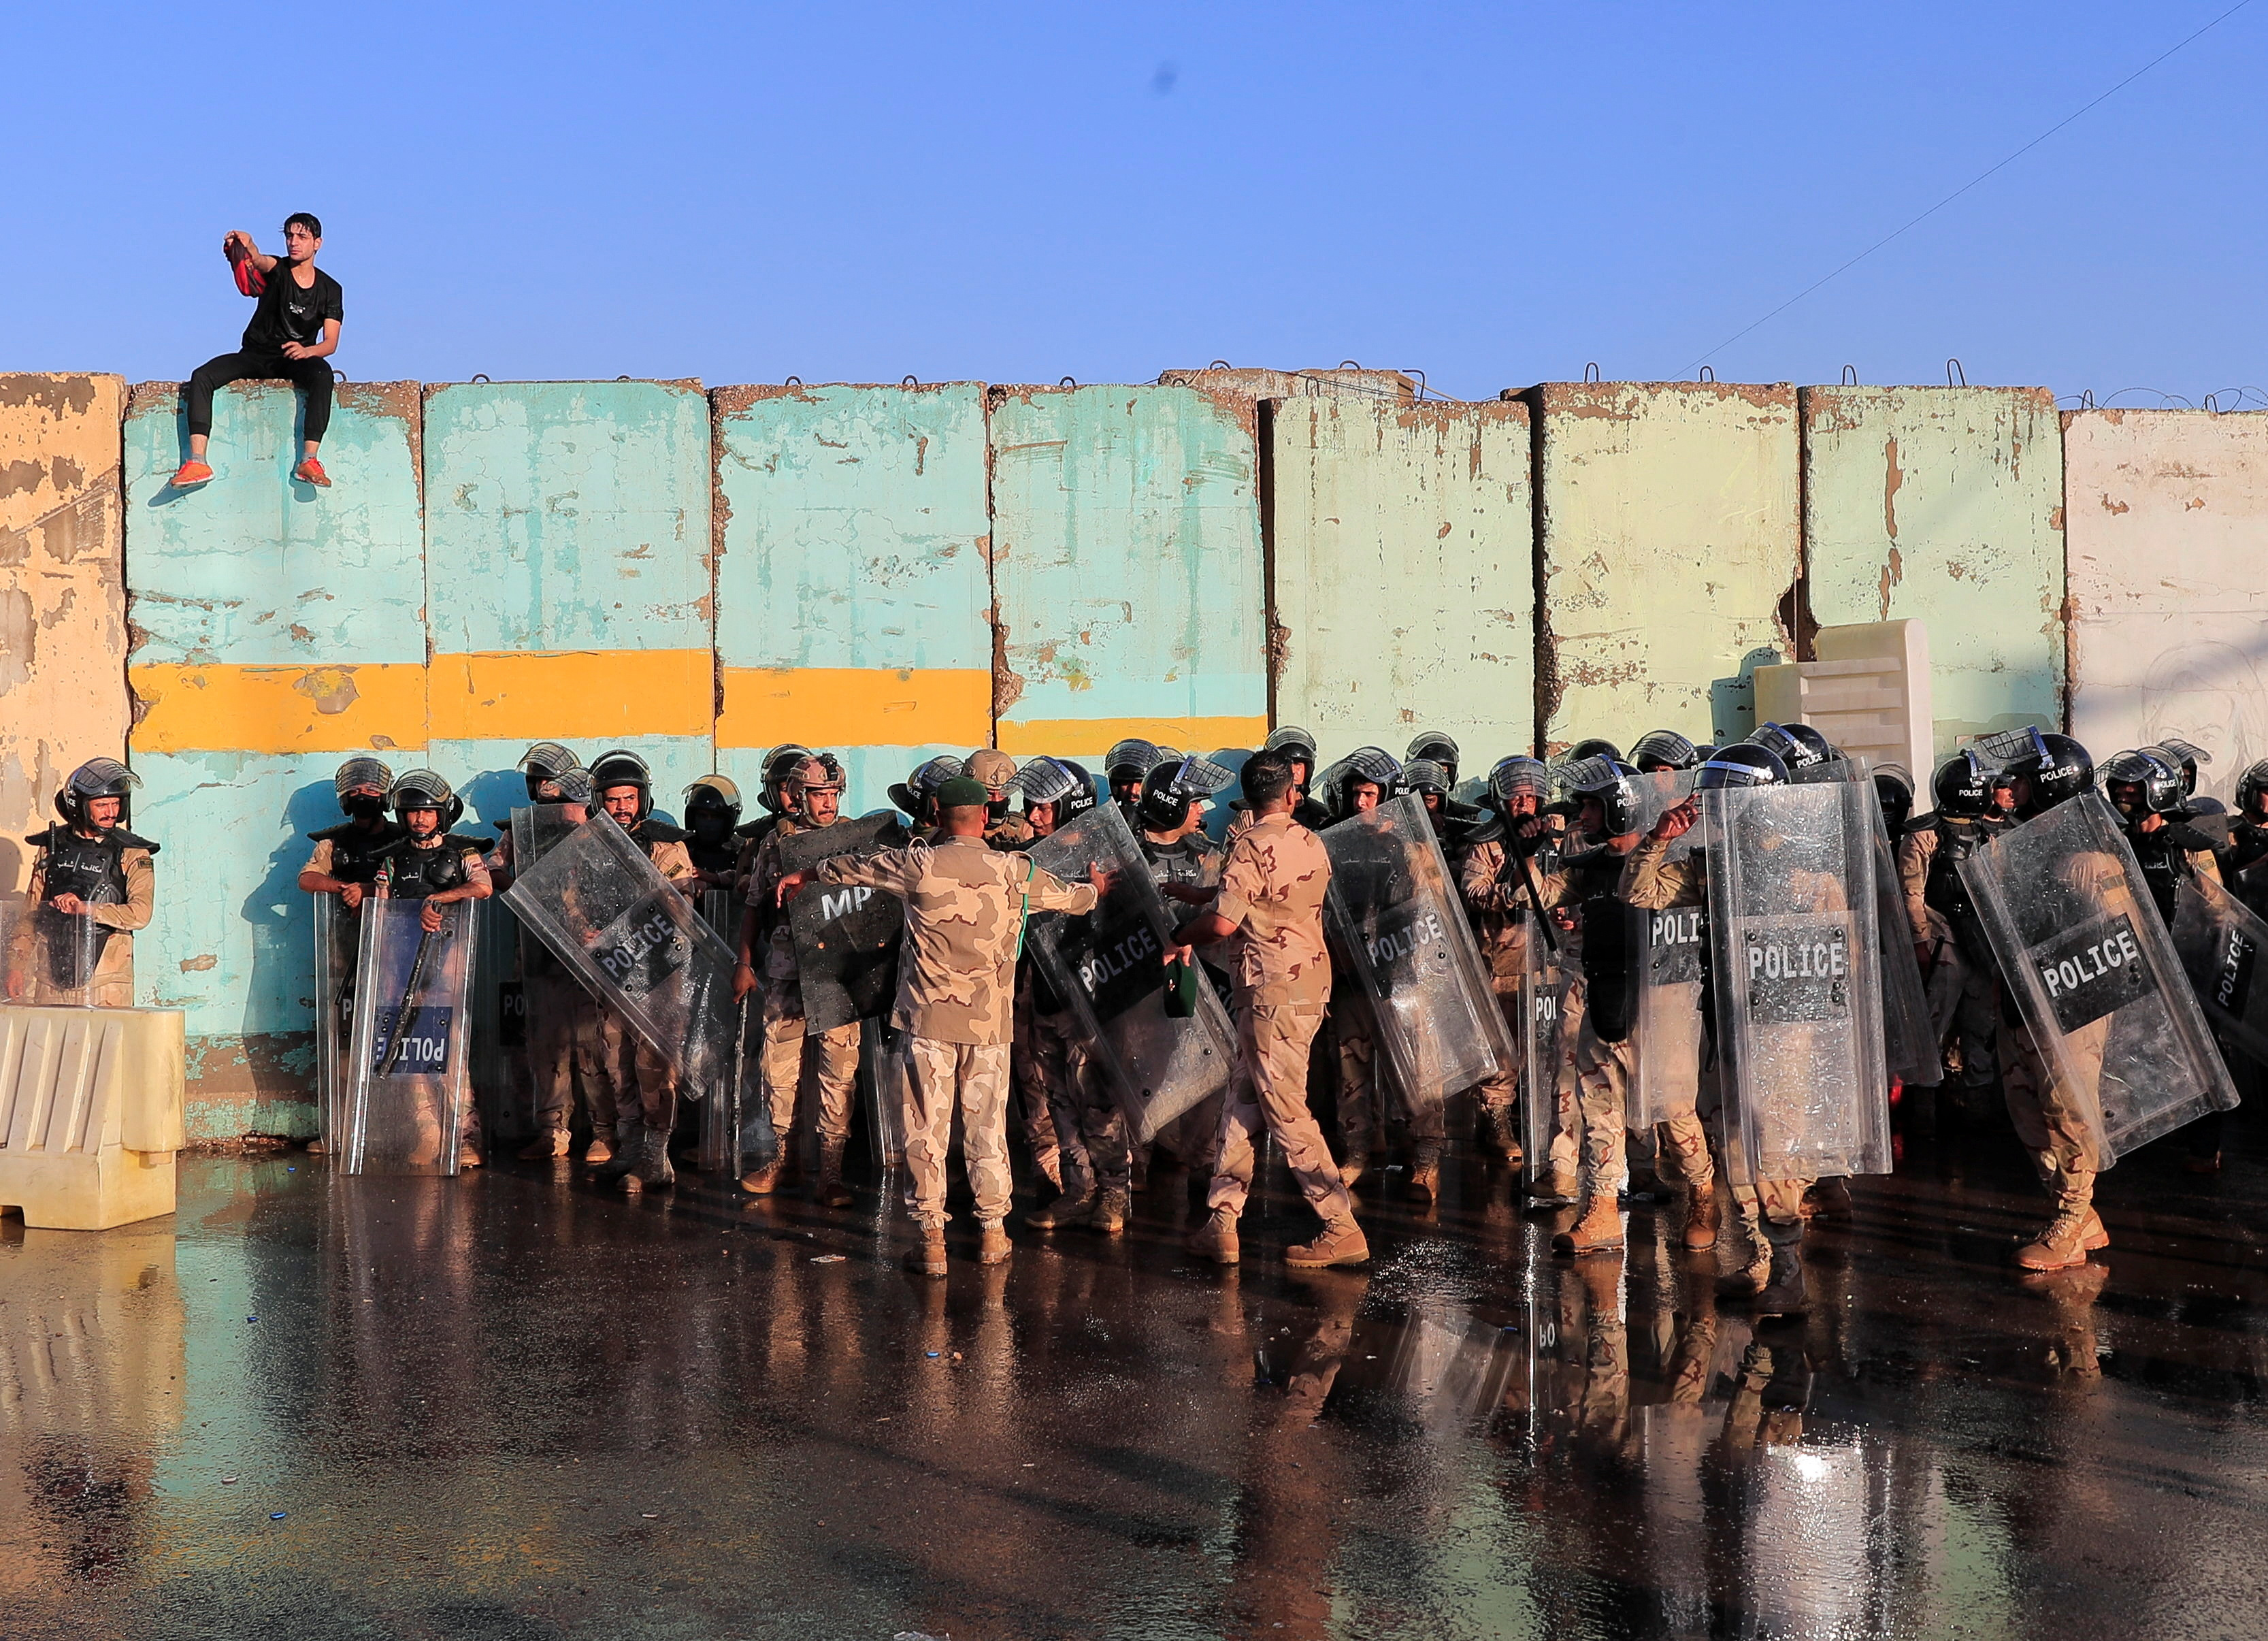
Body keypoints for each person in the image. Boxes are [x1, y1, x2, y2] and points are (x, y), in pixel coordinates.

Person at [776, 775, 1106, 1274]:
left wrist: (807, 875)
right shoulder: (1014, 870)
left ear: (936, 811)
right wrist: (1094, 889)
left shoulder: (918, 863)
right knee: (987, 1129)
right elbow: (1077, 899)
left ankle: (932, 1240)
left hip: (926, 1020)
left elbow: (855, 869)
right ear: (983, 818)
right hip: (989, 1027)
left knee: (926, 1130)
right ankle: (993, 1232)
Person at [1624, 744, 1822, 1312]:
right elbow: (1639, 891)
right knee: (1733, 1148)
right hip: (1724, 1022)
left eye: (1722, 798)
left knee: (1774, 1151)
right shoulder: (1712, 865)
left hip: (1780, 1031)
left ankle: (1789, 1271)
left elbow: (1836, 960)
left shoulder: (1805, 868)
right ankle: (1763, 1258)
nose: (1712, 810)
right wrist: (1660, 835)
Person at [1166, 750, 1368, 1269]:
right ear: (1290, 794)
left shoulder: (1248, 844)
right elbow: (1263, 895)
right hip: (1304, 987)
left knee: (1285, 1110)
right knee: (1243, 1100)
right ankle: (1222, 1221)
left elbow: (1224, 924)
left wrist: (1178, 936)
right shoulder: (1309, 840)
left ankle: (1340, 1225)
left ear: (1247, 798)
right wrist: (1196, 893)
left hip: (1270, 993)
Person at [734, 756, 866, 1207]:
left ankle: (830, 1171)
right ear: (799, 796)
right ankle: (781, 1159)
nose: (826, 803)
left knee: (837, 1074)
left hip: (838, 974)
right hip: (787, 970)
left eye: (832, 795)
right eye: (817, 795)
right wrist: (744, 962)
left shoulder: (854, 838)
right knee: (779, 1071)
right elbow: (754, 904)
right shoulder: (777, 840)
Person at [585, 749, 697, 1190]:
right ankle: (630, 1148)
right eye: (613, 799)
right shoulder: (589, 849)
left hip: (659, 974)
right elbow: (573, 904)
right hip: (612, 973)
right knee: (617, 1063)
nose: (622, 807)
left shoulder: (668, 847)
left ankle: (655, 1158)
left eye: (629, 798)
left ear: (643, 799)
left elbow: (682, 908)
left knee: (655, 1067)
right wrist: (584, 929)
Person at [369, 770, 494, 1169]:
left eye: (428, 811)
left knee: (451, 1052)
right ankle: (429, 1133)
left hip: (450, 961)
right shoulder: (391, 859)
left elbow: (483, 887)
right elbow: (382, 908)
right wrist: (386, 968)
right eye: (412, 812)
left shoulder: (463, 854)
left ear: (442, 813)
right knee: (413, 1051)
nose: (420, 819)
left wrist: (441, 898)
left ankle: (466, 1136)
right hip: (404, 961)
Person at [169, 214, 344, 489]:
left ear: (317, 243)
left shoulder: (331, 289)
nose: (293, 243)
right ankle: (197, 461)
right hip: (255, 354)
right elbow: (259, 259)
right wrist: (247, 243)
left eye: (302, 237)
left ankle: (309, 460)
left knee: (323, 375)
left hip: (293, 358)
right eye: (289, 236)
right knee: (201, 375)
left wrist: (307, 350)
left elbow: (330, 343)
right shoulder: (277, 268)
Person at [487, 764, 606, 1162]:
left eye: (570, 802)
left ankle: (604, 1134)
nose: (563, 810)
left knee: (594, 1047)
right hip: (541, 954)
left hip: (593, 960)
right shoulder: (525, 835)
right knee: (546, 1046)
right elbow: (492, 869)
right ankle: (552, 1132)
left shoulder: (602, 835)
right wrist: (525, 892)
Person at [1459, 755, 1560, 1178]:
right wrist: (1514, 886)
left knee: (1550, 1045)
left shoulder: (1557, 835)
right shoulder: (1487, 842)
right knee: (1504, 1046)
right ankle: (1495, 1118)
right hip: (1502, 958)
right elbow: (1473, 891)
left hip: (1549, 961)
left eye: (1529, 797)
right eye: (1515, 797)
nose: (1523, 804)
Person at [297, 755, 403, 1155]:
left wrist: (369, 890)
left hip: (395, 951)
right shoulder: (333, 842)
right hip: (344, 950)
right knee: (346, 1038)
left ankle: (391, 1125)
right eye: (356, 792)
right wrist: (345, 888)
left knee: (393, 1036)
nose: (364, 797)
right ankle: (341, 1129)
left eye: (372, 791)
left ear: (386, 796)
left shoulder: (402, 836)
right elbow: (307, 879)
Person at [1901, 750, 2009, 1104]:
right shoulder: (1925, 835)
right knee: (1934, 1024)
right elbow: (1912, 893)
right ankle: (1925, 1108)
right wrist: (1920, 943)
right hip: (1941, 939)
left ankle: (1976, 1100)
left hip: (1980, 939)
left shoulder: (1988, 833)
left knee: (1980, 1024)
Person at [9, 759, 157, 1008]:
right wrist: (17, 966)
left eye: (115, 803)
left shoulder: (132, 852)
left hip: (106, 983)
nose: (111, 812)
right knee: (50, 1045)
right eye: (101, 805)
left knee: (106, 1047)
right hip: (50, 979)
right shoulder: (52, 847)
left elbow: (141, 914)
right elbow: (31, 913)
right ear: (79, 806)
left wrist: (86, 910)